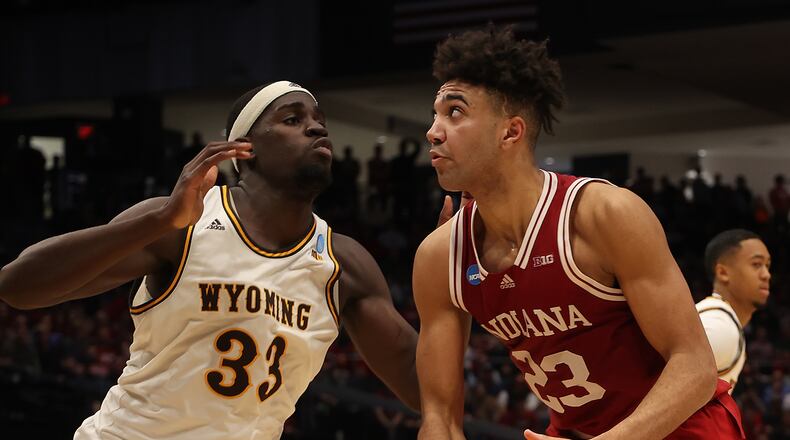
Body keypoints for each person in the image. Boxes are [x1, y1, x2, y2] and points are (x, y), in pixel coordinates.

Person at [0, 81, 419, 439]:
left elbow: (425, 386)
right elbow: (18, 286)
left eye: (318, 120)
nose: (315, 127)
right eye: (292, 119)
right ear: (244, 149)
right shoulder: (181, 223)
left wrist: (457, 273)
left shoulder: (343, 265)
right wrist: (159, 220)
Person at [413, 27, 744, 439]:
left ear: (510, 132)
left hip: (684, 430)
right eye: (435, 114)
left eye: (454, 113)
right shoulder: (438, 256)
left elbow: (695, 366)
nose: (433, 131)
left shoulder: (604, 214)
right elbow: (439, 418)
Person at [696, 229, 771, 390]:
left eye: (767, 266)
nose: (766, 275)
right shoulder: (720, 326)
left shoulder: (721, 319)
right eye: (756, 264)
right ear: (723, 272)